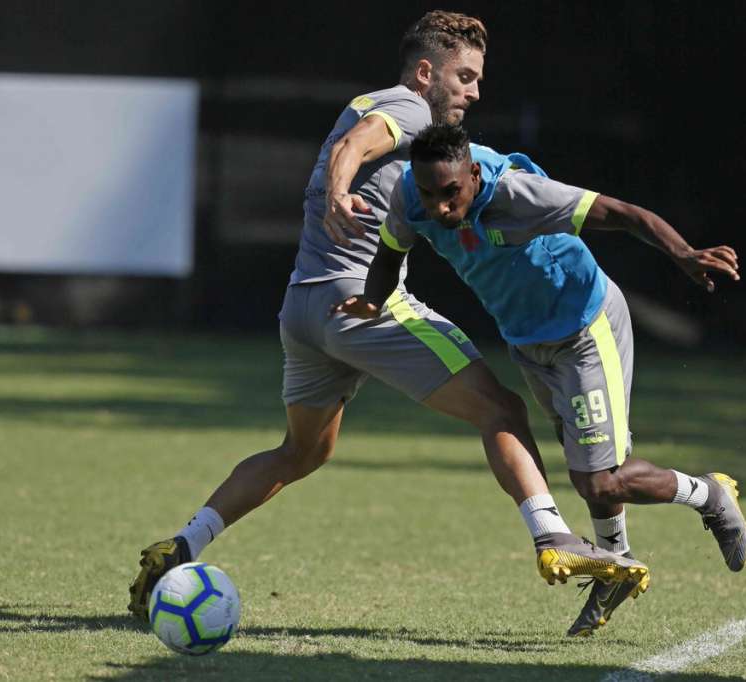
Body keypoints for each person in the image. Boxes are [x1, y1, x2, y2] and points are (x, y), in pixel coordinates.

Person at [128, 12, 647, 623]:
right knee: (501, 409)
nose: (473, 91)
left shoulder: (375, 107)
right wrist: (337, 194)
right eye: (464, 76)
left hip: (303, 307)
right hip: (359, 303)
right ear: (426, 72)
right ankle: (551, 536)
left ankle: (182, 544)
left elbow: (358, 144)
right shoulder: (409, 107)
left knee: (300, 452)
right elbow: (356, 146)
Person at [336, 123, 746, 637]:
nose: (441, 208)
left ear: (471, 174)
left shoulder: (517, 194)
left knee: (600, 477)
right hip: (526, 340)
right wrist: (371, 301)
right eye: (430, 194)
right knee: (587, 464)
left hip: (584, 326)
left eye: (451, 194)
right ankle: (615, 564)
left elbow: (623, 214)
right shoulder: (410, 195)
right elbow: (390, 255)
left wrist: (684, 254)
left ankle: (710, 495)